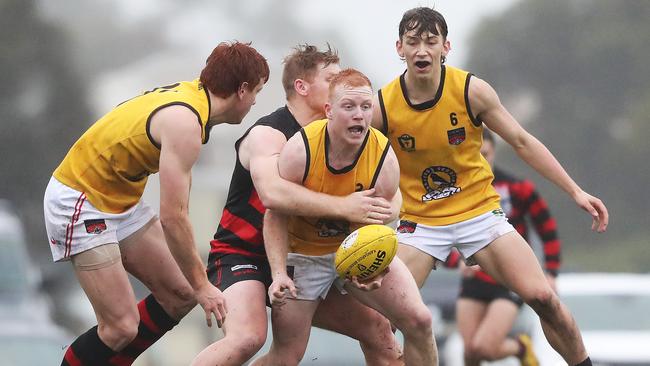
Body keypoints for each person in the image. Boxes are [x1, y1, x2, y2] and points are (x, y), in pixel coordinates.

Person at [371, 7, 609, 366]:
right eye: (413, 42)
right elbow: (356, 164)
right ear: (399, 48)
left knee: (543, 297)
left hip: (479, 212)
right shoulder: (382, 106)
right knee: (383, 320)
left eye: (431, 41)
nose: (422, 50)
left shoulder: (471, 90)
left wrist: (575, 191)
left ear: (445, 47)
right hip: (420, 223)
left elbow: (522, 141)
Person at [44, 41, 269, 366]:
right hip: (81, 199)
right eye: (258, 92)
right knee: (120, 327)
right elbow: (173, 218)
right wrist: (204, 285)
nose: (255, 103)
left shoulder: (195, 99)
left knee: (180, 295)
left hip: (120, 198)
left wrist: (196, 286)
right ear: (243, 90)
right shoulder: (185, 123)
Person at [191, 45, 403, 366]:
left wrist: (385, 211)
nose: (340, 85)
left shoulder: (341, 136)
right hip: (244, 254)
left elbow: (385, 185)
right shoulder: (268, 134)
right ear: (302, 87)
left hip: (304, 258)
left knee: (379, 330)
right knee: (248, 338)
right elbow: (273, 196)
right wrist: (346, 207)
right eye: (331, 79)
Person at [252, 68, 436, 366]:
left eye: (365, 107)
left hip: (351, 248)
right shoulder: (301, 150)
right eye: (348, 107)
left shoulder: (383, 157)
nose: (359, 116)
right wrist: (278, 273)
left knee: (420, 320)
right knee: (286, 356)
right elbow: (275, 214)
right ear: (329, 111)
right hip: (303, 257)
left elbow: (376, 221)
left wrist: (372, 269)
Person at [445, 129, 562, 365]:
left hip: (509, 279)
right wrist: (457, 263)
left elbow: (547, 231)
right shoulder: (454, 192)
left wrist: (551, 272)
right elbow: (439, 234)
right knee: (470, 352)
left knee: (484, 347)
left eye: (485, 154)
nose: (480, 160)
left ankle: (520, 347)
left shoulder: (519, 188)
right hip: (475, 278)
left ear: (494, 152)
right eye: (474, 155)